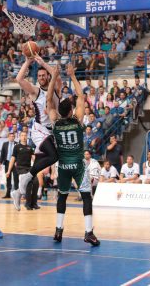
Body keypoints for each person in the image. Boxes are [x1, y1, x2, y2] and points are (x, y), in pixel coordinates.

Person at [47, 64, 100, 246]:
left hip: (62, 165)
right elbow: (81, 97)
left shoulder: (55, 121)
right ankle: (88, 233)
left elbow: (48, 99)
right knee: (86, 197)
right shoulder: (77, 120)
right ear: (70, 111)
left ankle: (58, 230)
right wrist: (73, 76)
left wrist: (54, 76)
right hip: (78, 164)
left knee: (62, 196)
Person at [15, 54, 60, 199]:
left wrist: (42, 62)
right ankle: (26, 177)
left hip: (52, 131)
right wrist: (28, 61)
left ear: (48, 76)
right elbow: (19, 79)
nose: (41, 77)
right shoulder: (35, 91)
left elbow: (56, 75)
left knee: (43, 161)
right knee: (53, 156)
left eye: (43, 75)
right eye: (39, 75)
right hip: (40, 130)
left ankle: (19, 192)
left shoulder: (56, 88)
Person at [8, 132, 39, 211]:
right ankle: (27, 204)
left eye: (25, 135)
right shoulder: (17, 147)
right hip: (20, 168)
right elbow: (12, 159)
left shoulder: (30, 147)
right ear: (20, 137)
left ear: (27, 137)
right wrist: (8, 171)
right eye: (22, 135)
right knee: (28, 183)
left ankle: (34, 203)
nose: (24, 137)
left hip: (29, 168)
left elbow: (33, 158)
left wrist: (38, 164)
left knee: (36, 182)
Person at [0, 133, 18, 198]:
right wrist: (0, 162)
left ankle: (16, 194)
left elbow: (19, 154)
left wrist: (17, 161)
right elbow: (2, 154)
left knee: (16, 179)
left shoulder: (17, 144)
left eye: (13, 136)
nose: (12, 137)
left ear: (14, 137)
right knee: (8, 179)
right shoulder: (5, 144)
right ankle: (8, 194)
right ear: (8, 137)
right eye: (10, 136)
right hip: (7, 163)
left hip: (15, 163)